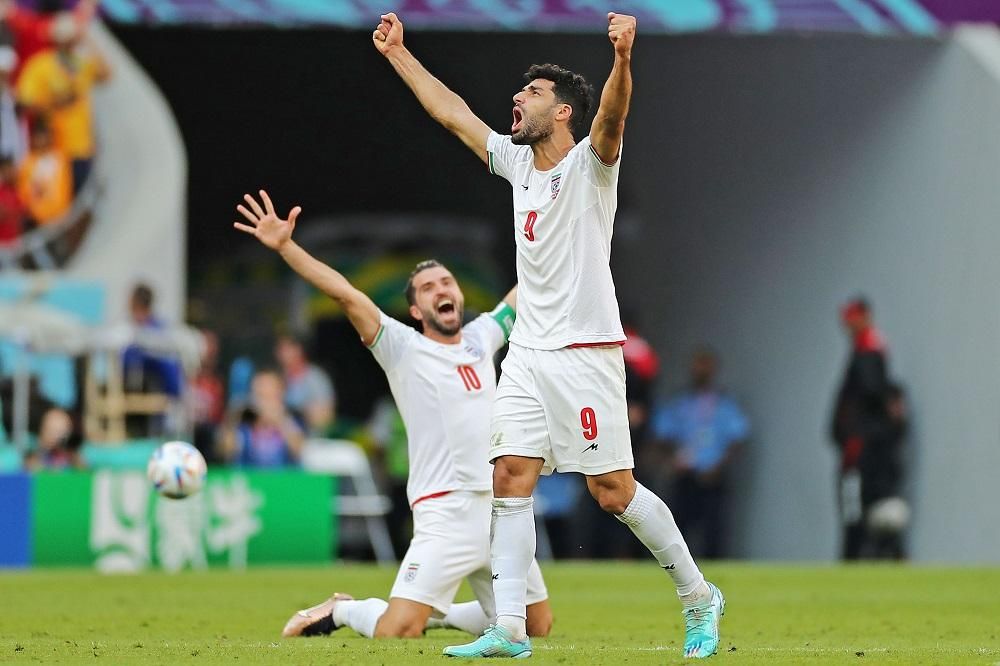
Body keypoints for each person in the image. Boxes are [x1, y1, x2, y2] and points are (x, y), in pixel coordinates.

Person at [374, 11, 723, 659]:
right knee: (510, 474)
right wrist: (399, 53)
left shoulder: (592, 166)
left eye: (532, 93)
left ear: (563, 113)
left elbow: (613, 120)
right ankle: (507, 628)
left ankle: (699, 597)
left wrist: (622, 59)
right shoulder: (516, 164)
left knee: (611, 491)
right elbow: (452, 113)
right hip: (529, 354)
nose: (517, 98)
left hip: (586, 352)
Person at [233, 190, 552, 641]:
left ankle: (434, 615)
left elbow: (528, 289)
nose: (441, 289)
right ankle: (346, 610)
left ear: (459, 296)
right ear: (417, 310)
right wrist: (286, 247)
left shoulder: (483, 336)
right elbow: (344, 294)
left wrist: (567, 232)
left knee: (537, 626)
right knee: (396, 632)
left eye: (447, 282)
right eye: (428, 287)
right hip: (447, 510)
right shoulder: (404, 348)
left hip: (502, 508)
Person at [651, 347, 749, 559]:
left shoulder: (724, 404)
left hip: (713, 477)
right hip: (685, 475)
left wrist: (719, 466)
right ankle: (679, 573)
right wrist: (672, 459)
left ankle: (715, 576)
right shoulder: (680, 403)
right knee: (678, 530)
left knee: (714, 532)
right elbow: (662, 434)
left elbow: (737, 438)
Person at [830, 297, 907, 560]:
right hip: (866, 448)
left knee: (855, 510)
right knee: (866, 506)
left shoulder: (867, 351)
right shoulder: (871, 349)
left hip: (861, 451)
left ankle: (855, 558)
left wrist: (852, 435)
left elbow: (871, 392)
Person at [15, 11, 109, 192]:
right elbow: (23, 104)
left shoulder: (80, 63)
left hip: (81, 148)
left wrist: (88, 40)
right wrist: (55, 102)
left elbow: (106, 75)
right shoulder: (40, 65)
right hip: (52, 151)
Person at [219, 368, 304, 468]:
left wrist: (281, 421)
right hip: (250, 481)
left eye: (270, 395)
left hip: (284, 481)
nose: (265, 402)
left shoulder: (292, 420)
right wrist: (233, 418)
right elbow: (224, 451)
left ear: (281, 393)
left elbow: (300, 451)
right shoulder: (244, 424)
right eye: (260, 395)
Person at [274, 333, 335, 436]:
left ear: (298, 349)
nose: (282, 354)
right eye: (280, 349)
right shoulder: (278, 378)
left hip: (313, 439)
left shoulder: (315, 378)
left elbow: (324, 418)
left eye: (286, 348)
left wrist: (295, 413)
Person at [17, 120, 71, 227]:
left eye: (46, 137)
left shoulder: (60, 158)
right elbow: (23, 191)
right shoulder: (27, 163)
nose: (43, 141)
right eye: (39, 138)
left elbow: (67, 185)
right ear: (34, 139)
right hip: (39, 220)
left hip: (62, 216)